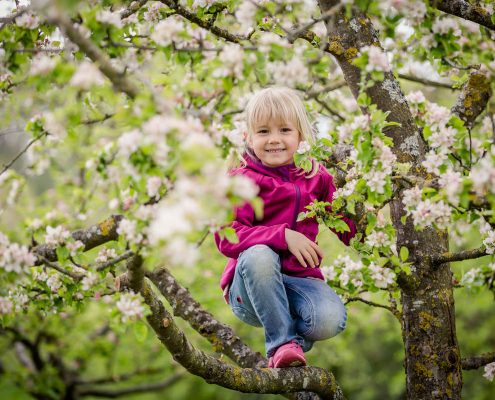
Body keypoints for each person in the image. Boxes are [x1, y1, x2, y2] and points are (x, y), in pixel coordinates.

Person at [214, 87, 357, 368]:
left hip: (297, 283)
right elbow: (226, 237)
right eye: (263, 132)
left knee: (330, 320)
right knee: (260, 254)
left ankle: (292, 346)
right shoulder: (241, 180)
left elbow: (349, 231)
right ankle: (280, 344)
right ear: (248, 137)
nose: (274, 139)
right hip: (251, 288)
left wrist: (363, 201)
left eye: (284, 130)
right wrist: (282, 235)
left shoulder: (317, 177)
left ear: (301, 136)